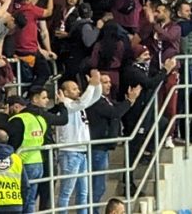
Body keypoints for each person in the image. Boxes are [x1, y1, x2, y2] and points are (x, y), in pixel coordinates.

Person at [5, 91, 68, 214]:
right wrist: (60, 105)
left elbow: (12, 142)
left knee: (24, 200)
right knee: (32, 200)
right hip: (39, 161)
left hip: (25, 162)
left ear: (16, 106)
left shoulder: (18, 119)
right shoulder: (39, 118)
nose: (47, 100)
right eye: (44, 98)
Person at [55, 71, 104, 214]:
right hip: (69, 152)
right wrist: (91, 86)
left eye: (78, 88)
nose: (78, 91)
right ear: (64, 92)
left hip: (82, 152)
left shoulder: (77, 105)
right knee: (66, 192)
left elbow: (94, 98)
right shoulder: (65, 105)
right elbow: (82, 102)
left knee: (83, 192)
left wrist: (97, 84)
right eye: (74, 89)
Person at [88, 74, 141, 206]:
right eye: (105, 82)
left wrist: (130, 101)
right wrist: (130, 100)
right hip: (97, 148)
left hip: (103, 148)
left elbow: (116, 108)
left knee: (100, 187)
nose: (109, 85)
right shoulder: (96, 101)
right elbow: (114, 113)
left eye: (109, 82)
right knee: (97, 187)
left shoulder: (106, 100)